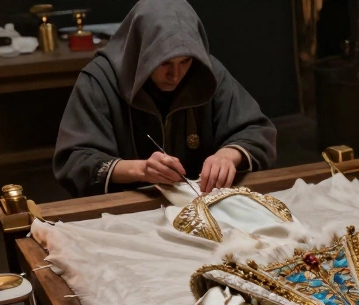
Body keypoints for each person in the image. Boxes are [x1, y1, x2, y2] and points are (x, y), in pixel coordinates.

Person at [54, 0, 277, 197]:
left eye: (185, 62)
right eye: (164, 63)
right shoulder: (100, 80)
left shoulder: (206, 72)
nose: (176, 75)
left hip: (199, 202)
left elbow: (257, 130)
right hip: (127, 209)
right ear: (141, 51)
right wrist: (139, 170)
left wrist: (229, 155)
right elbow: (74, 160)